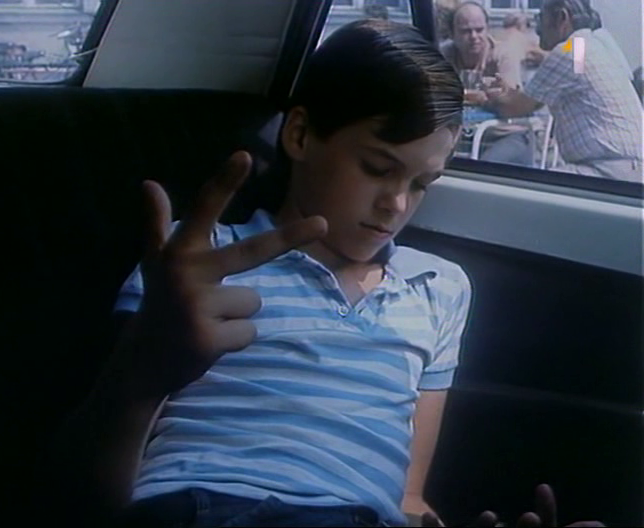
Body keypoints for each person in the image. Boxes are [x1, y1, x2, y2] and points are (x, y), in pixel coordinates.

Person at [47, 19, 607, 528]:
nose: (396, 204)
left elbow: (408, 499)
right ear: (299, 136)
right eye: (377, 168)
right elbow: (91, 493)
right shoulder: (199, 260)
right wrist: (143, 370)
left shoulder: (439, 288)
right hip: (203, 504)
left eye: (420, 184)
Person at [485, 0, 643, 183]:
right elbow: (575, 77)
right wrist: (509, 91)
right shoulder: (590, 43)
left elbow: (515, 108)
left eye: (541, 17)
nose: (537, 28)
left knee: (529, 189)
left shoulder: (568, 51)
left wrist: (487, 97)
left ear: (561, 17)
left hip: (608, 169)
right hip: (628, 167)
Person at [440, 2, 536, 167]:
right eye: (466, 31)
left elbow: (510, 104)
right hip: (464, 135)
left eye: (479, 30)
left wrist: (483, 98)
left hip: (506, 134)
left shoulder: (503, 54)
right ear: (452, 33)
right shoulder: (445, 54)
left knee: (483, 169)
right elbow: (435, 93)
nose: (474, 36)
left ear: (487, 29)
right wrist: (478, 96)